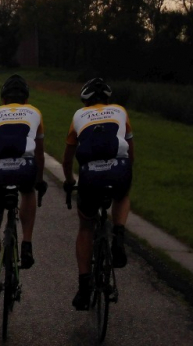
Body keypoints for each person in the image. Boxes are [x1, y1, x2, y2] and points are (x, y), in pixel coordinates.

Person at [62, 77, 135, 311]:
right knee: (123, 195)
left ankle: (84, 289)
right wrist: (124, 171)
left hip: (91, 176)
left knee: (85, 226)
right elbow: (130, 153)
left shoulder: (78, 116)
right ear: (107, 99)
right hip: (118, 170)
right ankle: (119, 234)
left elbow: (67, 159)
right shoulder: (120, 111)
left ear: (85, 102)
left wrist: (69, 180)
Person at [0, 74, 47, 305]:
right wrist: (39, 180)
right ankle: (26, 244)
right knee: (28, 191)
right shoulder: (34, 113)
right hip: (24, 168)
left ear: (3, 98)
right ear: (26, 100)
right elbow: (38, 153)